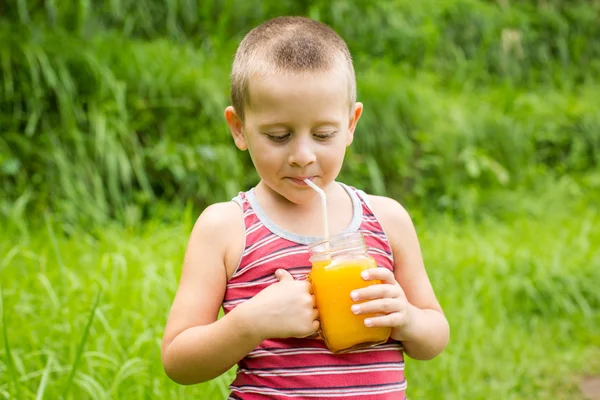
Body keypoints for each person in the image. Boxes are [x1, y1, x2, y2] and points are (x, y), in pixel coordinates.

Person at [161, 16, 449, 399]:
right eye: (278, 136)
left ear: (351, 124)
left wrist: (408, 319)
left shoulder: (387, 219)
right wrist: (251, 322)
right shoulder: (226, 228)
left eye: (323, 134)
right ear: (239, 128)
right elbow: (178, 361)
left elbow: (434, 335)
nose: (302, 155)